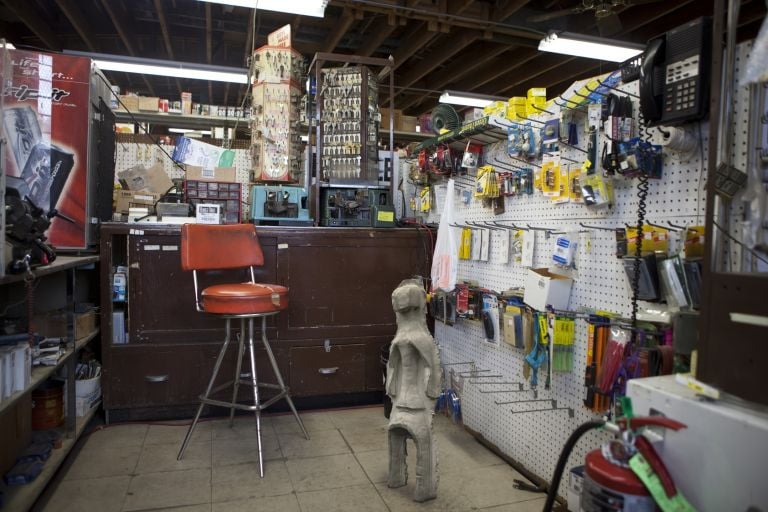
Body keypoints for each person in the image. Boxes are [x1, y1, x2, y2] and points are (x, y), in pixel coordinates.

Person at [386, 279, 441, 502]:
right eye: (402, 312)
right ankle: (396, 476)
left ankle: (424, 487)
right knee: (395, 435)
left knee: (422, 439)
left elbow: (433, 368)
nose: (403, 315)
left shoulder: (419, 338)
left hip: (416, 403)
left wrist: (432, 392)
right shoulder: (404, 338)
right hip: (402, 401)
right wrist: (392, 391)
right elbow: (392, 368)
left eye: (409, 311)